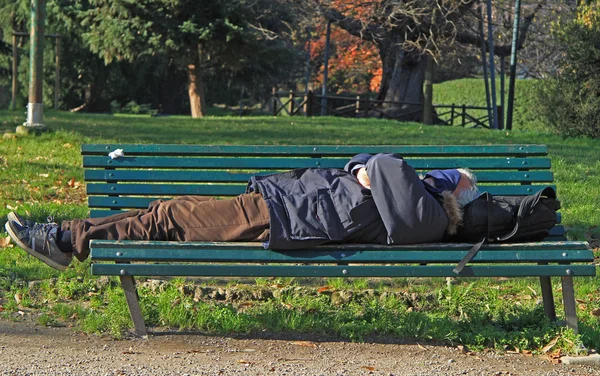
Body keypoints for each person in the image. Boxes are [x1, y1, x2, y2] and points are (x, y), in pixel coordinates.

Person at [5, 153, 479, 271]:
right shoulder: (410, 195)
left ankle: (66, 242)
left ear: (457, 197)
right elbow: (367, 166)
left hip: (284, 219)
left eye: (452, 178)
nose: (441, 174)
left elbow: (381, 166)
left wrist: (433, 181)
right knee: (166, 210)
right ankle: (66, 236)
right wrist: (359, 168)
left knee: (168, 217)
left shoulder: (430, 215)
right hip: (279, 207)